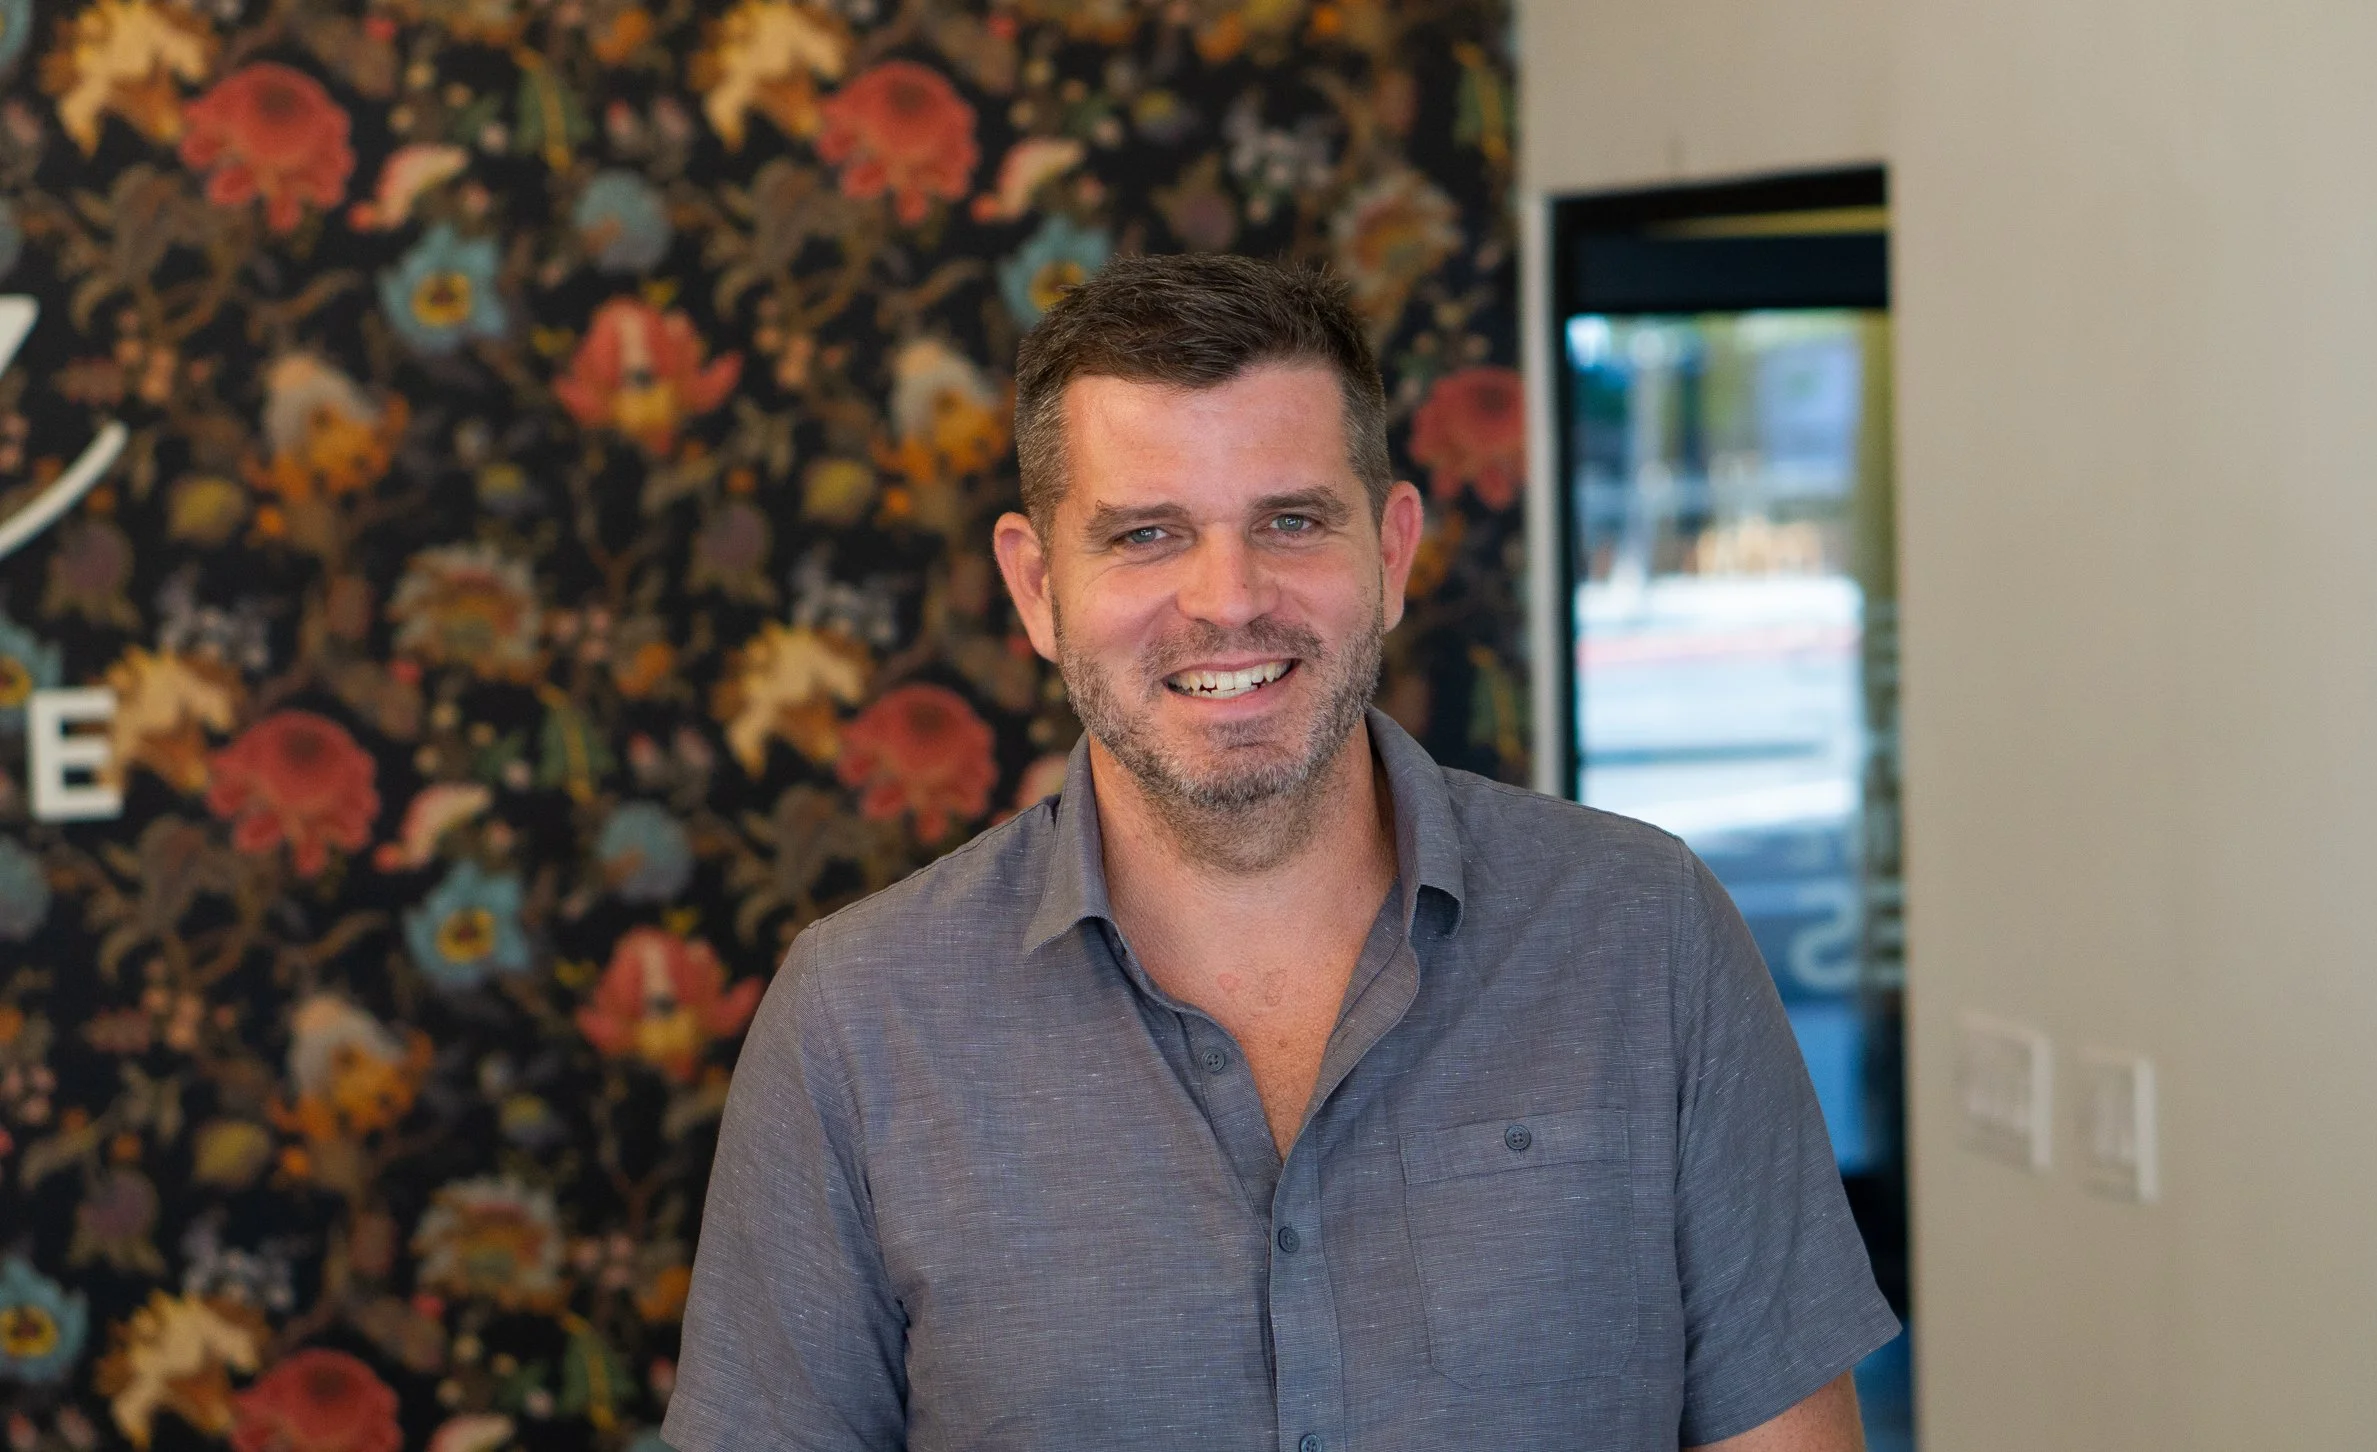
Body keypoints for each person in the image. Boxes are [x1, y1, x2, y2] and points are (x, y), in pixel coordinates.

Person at [661, 254, 1899, 1451]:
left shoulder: (1649, 936)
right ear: (1037, 588)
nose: (1227, 598)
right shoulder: (856, 1021)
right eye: (1145, 534)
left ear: (1392, 550)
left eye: (1292, 519)